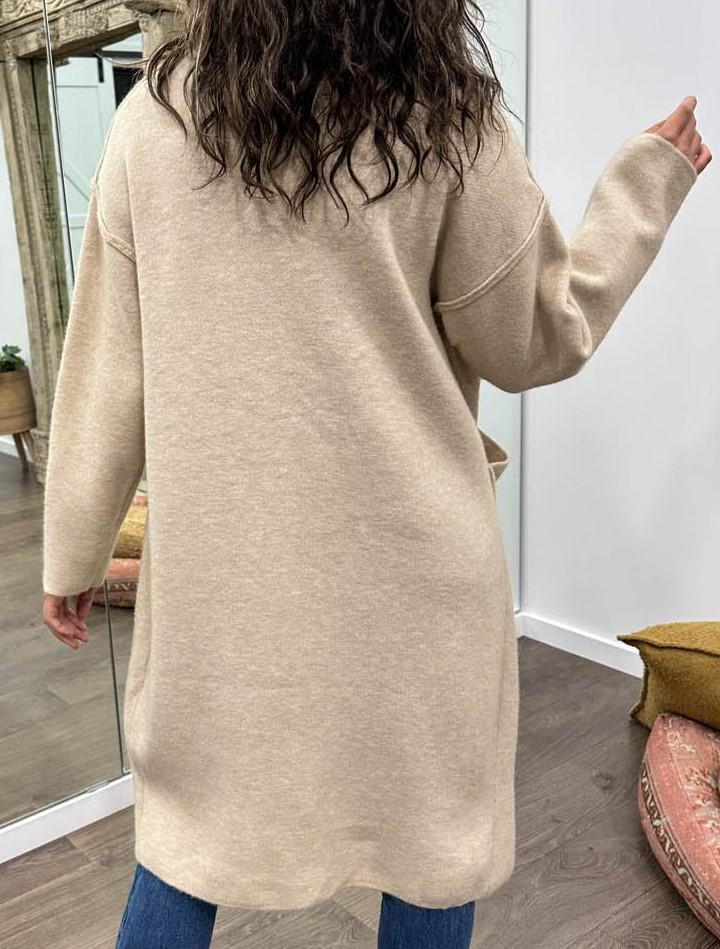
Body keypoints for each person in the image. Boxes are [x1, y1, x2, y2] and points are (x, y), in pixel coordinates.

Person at [41, 0, 710, 945]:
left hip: (224, 592)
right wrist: (644, 186)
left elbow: (106, 370)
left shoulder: (152, 125)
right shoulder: (450, 122)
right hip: (413, 586)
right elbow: (533, 337)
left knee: (188, 832)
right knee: (432, 843)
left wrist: (74, 550)